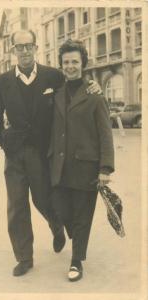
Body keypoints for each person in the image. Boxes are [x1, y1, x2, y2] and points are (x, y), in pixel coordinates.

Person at [0, 30, 102, 277]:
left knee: (44, 199)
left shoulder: (53, 76)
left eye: (29, 46)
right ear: (13, 50)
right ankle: (24, 257)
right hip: (15, 155)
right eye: (20, 47)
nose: (25, 51)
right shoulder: (1, 82)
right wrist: (4, 143)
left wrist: (92, 83)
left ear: (36, 47)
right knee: (17, 205)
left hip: (42, 153)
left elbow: (76, 81)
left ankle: (56, 226)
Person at [48, 39, 114, 282]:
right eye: (66, 62)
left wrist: (105, 168)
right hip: (59, 166)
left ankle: (76, 261)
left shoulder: (95, 95)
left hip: (86, 167)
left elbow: (105, 133)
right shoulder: (56, 94)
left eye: (75, 61)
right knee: (60, 208)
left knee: (82, 217)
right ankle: (70, 233)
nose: (70, 66)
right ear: (61, 65)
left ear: (83, 64)